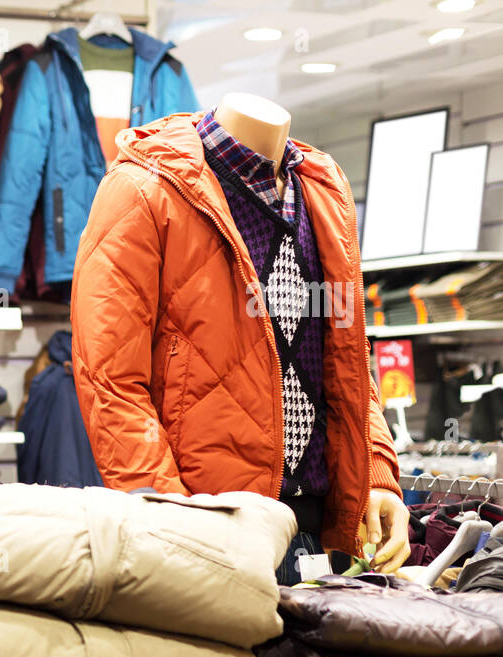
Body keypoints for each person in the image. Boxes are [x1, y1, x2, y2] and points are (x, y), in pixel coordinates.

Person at [71, 106, 411, 583]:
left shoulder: (322, 189)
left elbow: (349, 365)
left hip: (322, 538)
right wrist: (167, 520)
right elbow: (109, 381)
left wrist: (377, 472)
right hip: (212, 535)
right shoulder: (146, 188)